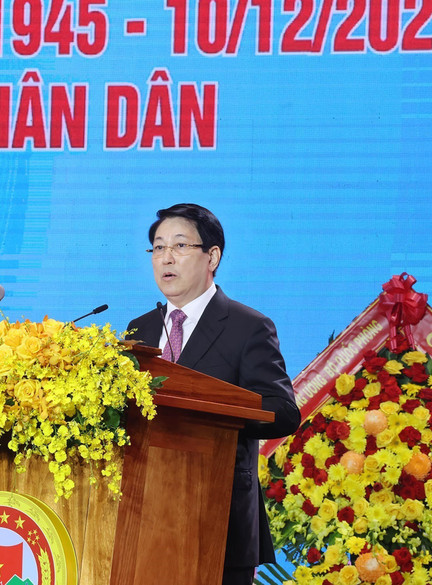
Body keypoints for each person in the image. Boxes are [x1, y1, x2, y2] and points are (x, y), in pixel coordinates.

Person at [126, 203, 301, 585]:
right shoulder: (139, 329)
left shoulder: (247, 326)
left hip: (219, 519)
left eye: (180, 246)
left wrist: (214, 414)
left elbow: (283, 411)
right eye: (157, 248)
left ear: (213, 256)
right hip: (142, 515)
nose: (165, 258)